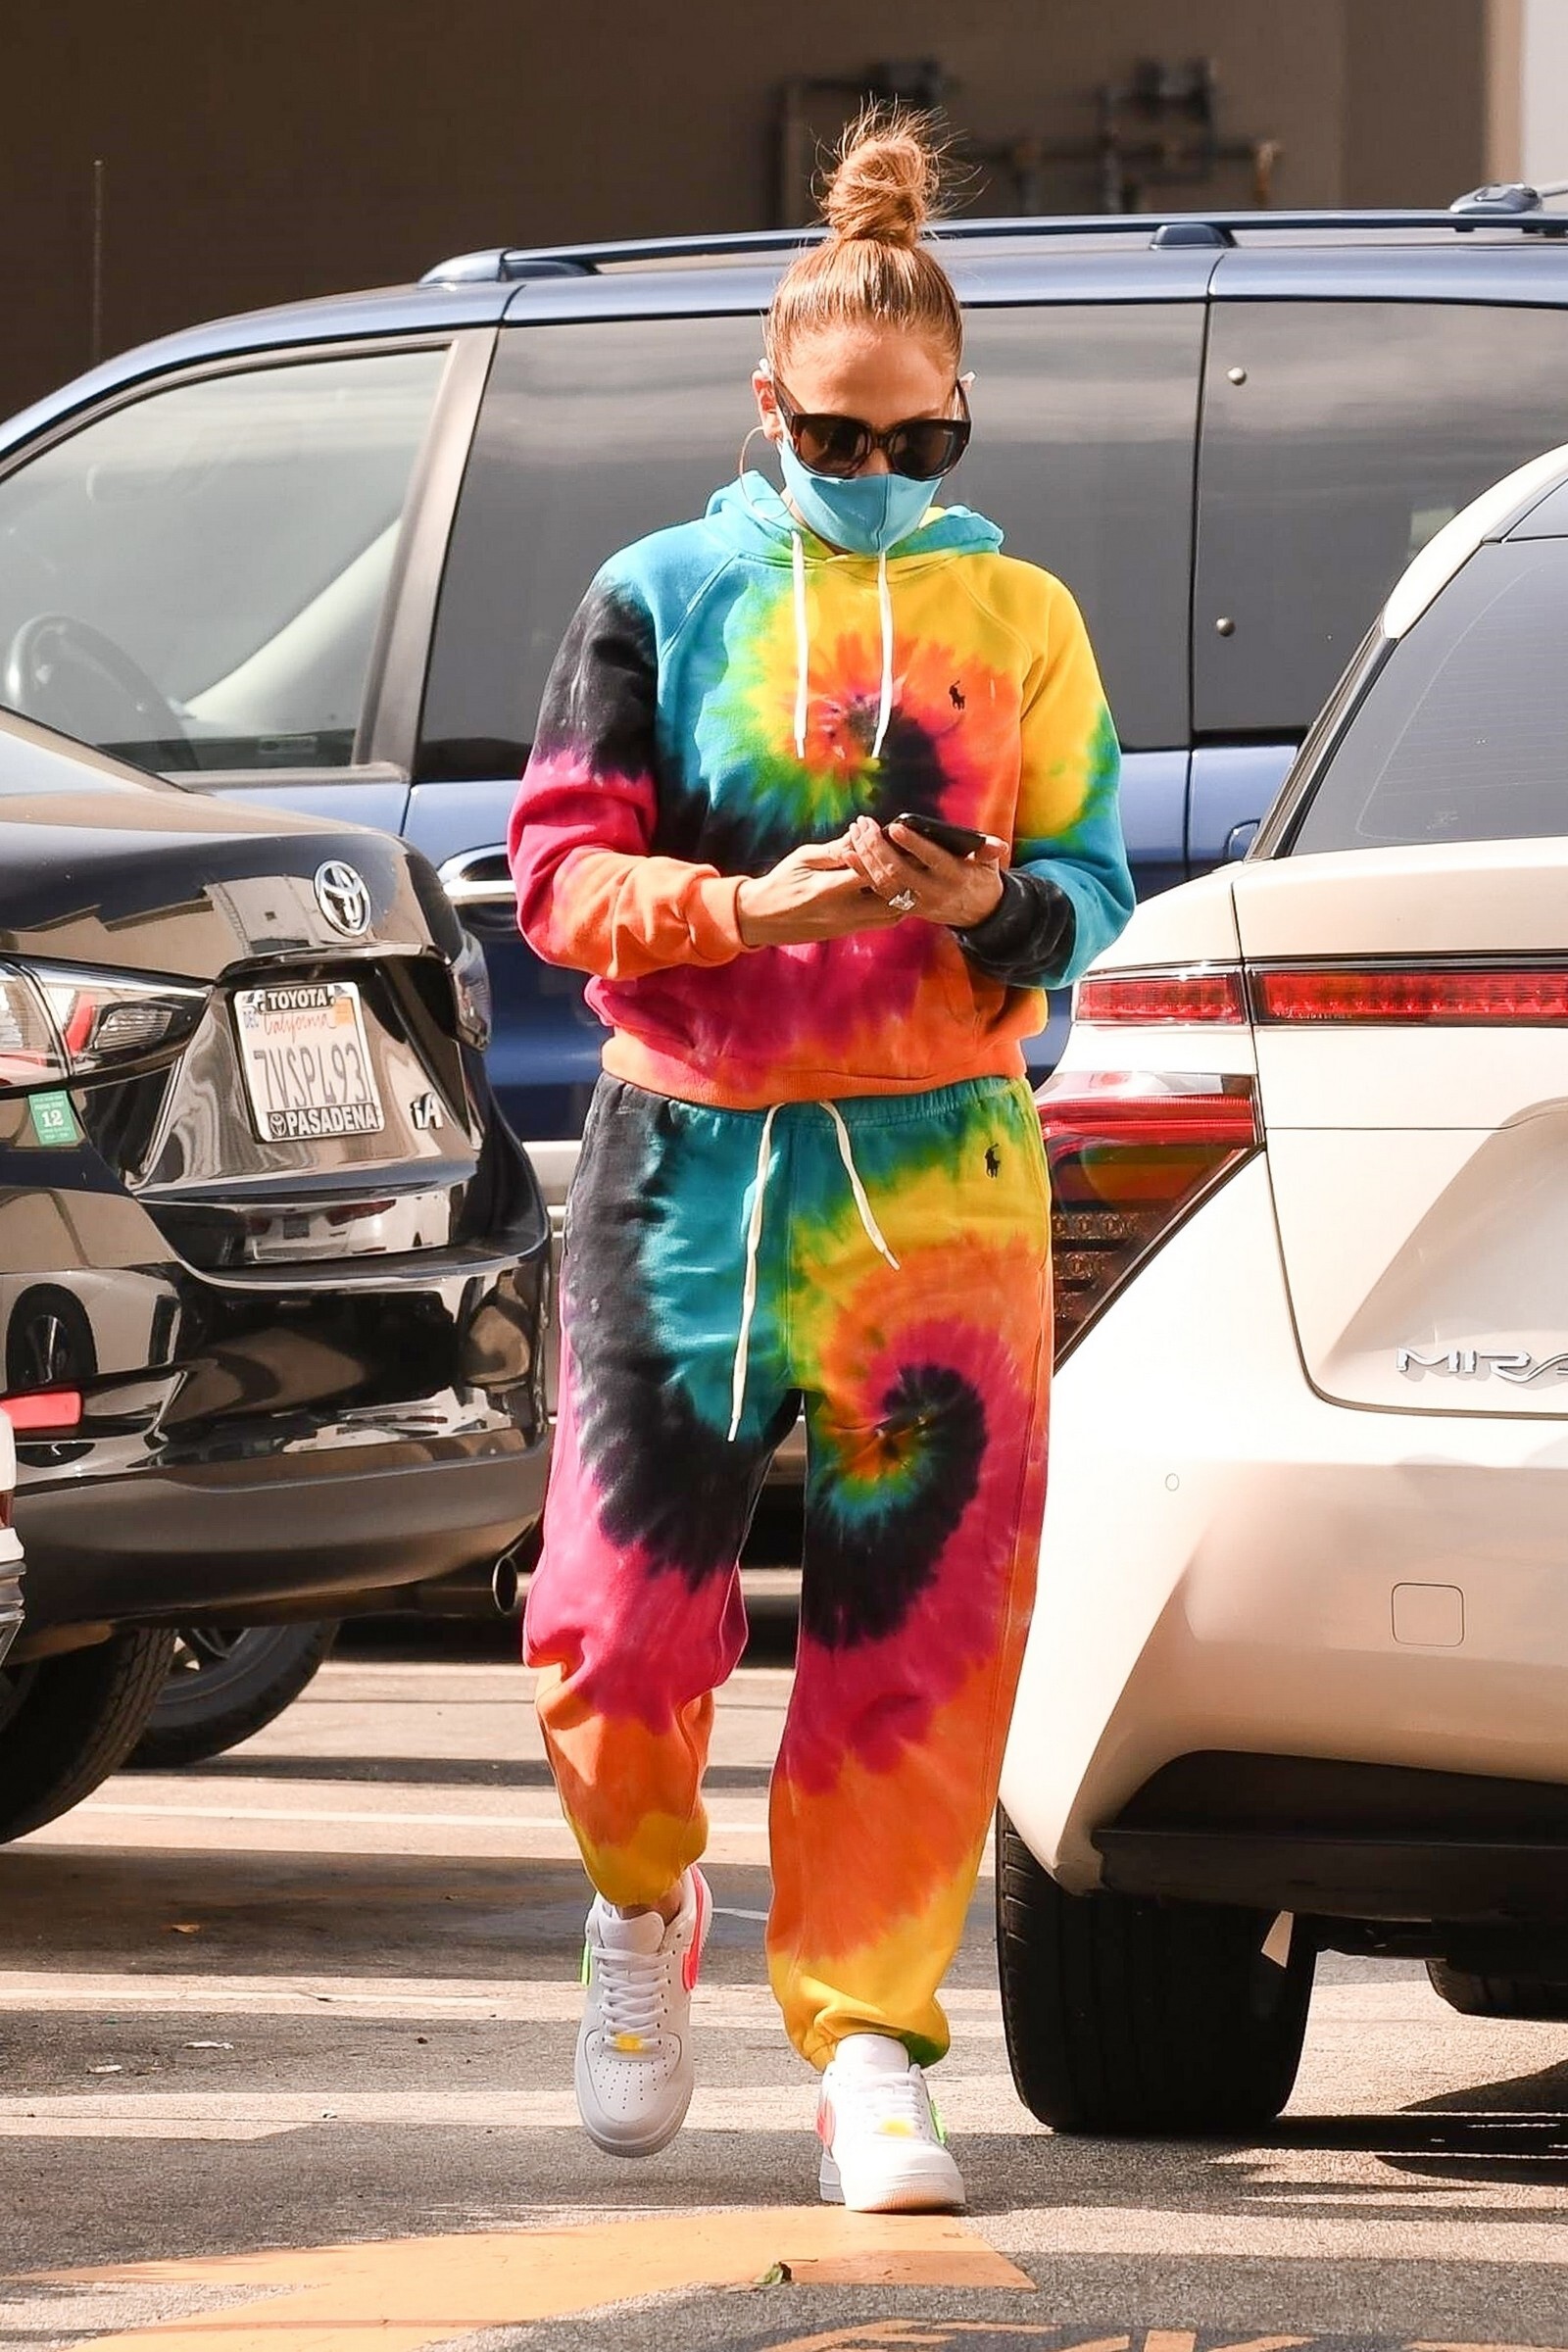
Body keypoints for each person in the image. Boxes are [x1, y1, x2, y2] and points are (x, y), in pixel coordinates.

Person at [508, 106, 1133, 2215]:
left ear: (960, 418)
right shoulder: (656, 595)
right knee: (607, 1635)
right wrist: (741, 910)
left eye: (913, 441)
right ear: (764, 407)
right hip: (681, 1161)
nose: (872, 473)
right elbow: (557, 879)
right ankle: (640, 1901)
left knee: (920, 1634)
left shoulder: (1021, 618)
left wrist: (990, 910)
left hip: (938, 1179)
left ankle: (869, 2045)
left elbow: (1092, 884)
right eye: (835, 437)